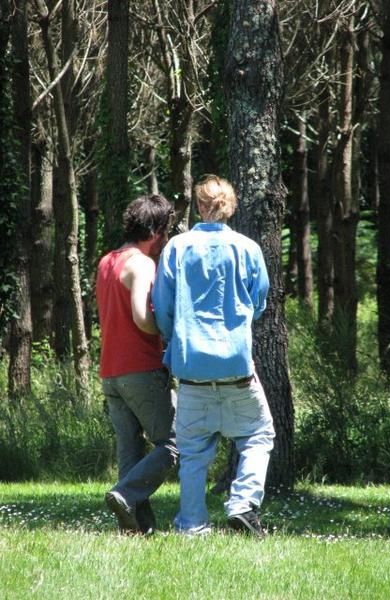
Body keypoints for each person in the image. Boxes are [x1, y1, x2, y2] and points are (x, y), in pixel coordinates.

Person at [152, 175, 275, 537]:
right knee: (258, 435)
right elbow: (260, 301)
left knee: (192, 454)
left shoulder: (176, 247)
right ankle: (242, 504)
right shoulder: (248, 248)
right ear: (230, 206)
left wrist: (176, 334)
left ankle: (192, 525)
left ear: (198, 205)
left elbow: (162, 308)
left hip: (191, 372)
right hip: (236, 368)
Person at [96, 194, 178, 535]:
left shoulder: (106, 261)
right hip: (140, 368)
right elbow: (143, 319)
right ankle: (126, 494)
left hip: (110, 372)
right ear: (156, 231)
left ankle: (136, 528)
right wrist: (169, 330)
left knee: (129, 451)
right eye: (166, 232)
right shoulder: (142, 264)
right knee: (174, 443)